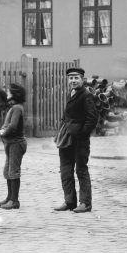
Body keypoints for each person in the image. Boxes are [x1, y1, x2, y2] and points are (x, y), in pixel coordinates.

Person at [53, 66, 98, 213]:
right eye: (70, 78)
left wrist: (81, 134)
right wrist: (61, 130)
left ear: (82, 80)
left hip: (80, 141)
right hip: (67, 139)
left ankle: (85, 203)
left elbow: (92, 119)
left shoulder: (86, 95)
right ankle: (69, 201)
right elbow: (67, 115)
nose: (73, 81)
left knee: (81, 170)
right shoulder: (70, 93)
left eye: (76, 78)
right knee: (65, 171)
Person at [0, 83, 27, 210]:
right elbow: (7, 123)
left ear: (14, 94)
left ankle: (14, 201)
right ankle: (9, 198)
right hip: (10, 143)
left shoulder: (17, 108)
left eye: (9, 91)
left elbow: (13, 126)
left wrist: (3, 132)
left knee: (13, 171)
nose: (7, 93)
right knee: (7, 171)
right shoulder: (13, 107)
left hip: (16, 143)